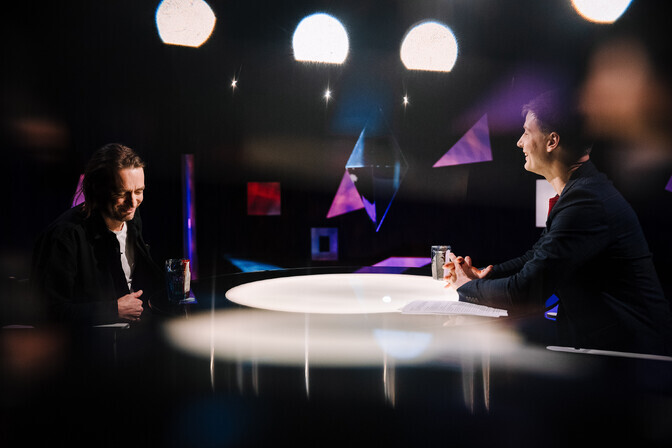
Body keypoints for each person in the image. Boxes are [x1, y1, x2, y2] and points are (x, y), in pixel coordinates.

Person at [445, 90, 672, 356]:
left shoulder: (586, 202)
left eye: (526, 132)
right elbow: (535, 257)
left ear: (552, 141)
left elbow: (527, 291)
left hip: (635, 359)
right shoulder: (583, 191)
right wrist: (484, 275)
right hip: (609, 346)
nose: (519, 142)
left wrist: (467, 287)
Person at [30, 143, 165, 326]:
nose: (133, 202)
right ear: (97, 189)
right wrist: (113, 310)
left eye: (139, 191)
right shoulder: (64, 236)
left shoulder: (131, 216)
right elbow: (47, 312)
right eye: (121, 193)